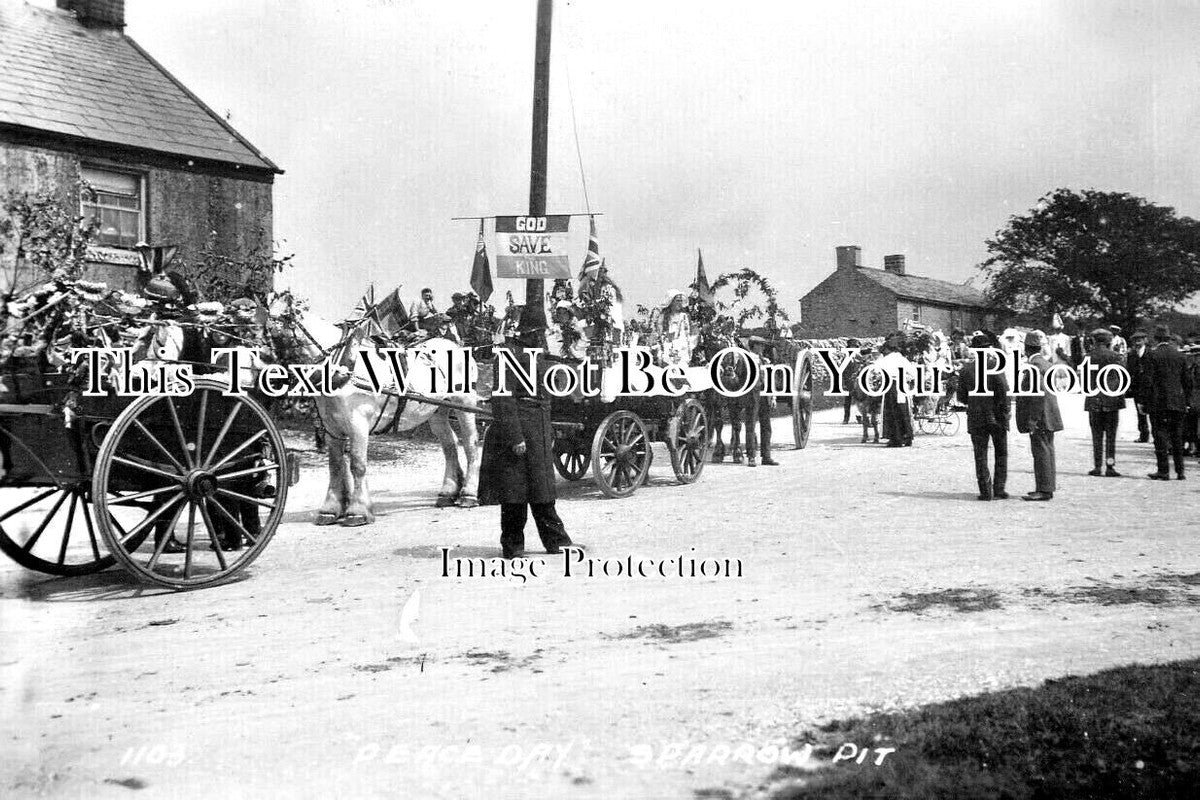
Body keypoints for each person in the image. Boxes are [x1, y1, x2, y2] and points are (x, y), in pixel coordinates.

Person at [477, 325, 576, 558]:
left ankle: (557, 542)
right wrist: (515, 437)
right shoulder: (508, 357)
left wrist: (548, 431)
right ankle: (512, 547)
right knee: (514, 495)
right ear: (527, 333)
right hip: (519, 433)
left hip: (538, 433)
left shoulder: (538, 357)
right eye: (538, 332)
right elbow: (503, 401)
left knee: (543, 492)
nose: (542, 336)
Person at [957, 332, 1009, 500]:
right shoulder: (996, 366)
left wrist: (974, 401)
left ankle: (985, 491)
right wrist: (1005, 411)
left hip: (976, 416)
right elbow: (1004, 391)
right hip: (997, 415)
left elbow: (961, 397)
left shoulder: (966, 370)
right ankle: (999, 489)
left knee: (980, 455)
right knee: (1001, 453)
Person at [1015, 330, 1063, 501]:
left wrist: (1032, 419)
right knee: (1048, 451)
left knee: (1041, 452)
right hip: (1049, 415)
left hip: (1040, 416)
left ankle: (1043, 490)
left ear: (1026, 348)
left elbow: (1037, 395)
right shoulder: (1046, 364)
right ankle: (1046, 487)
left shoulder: (1034, 366)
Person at [1144, 324, 1192, 481]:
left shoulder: (1152, 355)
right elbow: (1187, 381)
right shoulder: (1180, 356)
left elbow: (1148, 381)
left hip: (1158, 402)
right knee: (1177, 437)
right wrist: (1186, 401)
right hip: (1177, 402)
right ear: (1169, 338)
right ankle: (1180, 471)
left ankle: (1163, 470)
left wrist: (1144, 401)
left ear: (1155, 338)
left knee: (1160, 436)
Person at [1083, 328, 1125, 477]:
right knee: (1111, 437)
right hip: (1112, 400)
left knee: (1097, 436)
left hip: (1094, 399)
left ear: (1094, 341)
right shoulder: (1116, 356)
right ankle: (1110, 466)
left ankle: (1097, 466)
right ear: (1109, 341)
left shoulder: (1088, 357)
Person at [876, 334, 915, 447]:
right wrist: (906, 379)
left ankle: (896, 439)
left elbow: (876, 370)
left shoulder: (885, 360)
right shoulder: (902, 359)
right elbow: (913, 373)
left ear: (888, 349)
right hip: (902, 387)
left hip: (891, 386)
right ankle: (907, 437)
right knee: (903, 412)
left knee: (892, 412)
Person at [747, 336, 779, 466]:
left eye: (762, 345)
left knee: (766, 426)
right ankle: (751, 457)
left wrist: (773, 397)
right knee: (751, 426)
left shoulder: (764, 360)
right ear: (753, 346)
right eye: (760, 345)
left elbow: (769, 379)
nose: (762, 348)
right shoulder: (747, 359)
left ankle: (766, 456)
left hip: (764, 395)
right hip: (752, 395)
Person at [1126, 331, 1152, 442]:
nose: (1137, 343)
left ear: (1145, 340)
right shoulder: (1131, 354)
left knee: (1153, 411)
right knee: (1139, 411)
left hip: (1149, 386)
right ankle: (1143, 434)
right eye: (1135, 340)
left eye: (1140, 340)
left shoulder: (1151, 353)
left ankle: (1156, 435)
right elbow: (1129, 369)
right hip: (1137, 386)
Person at [657, 290, 694, 367]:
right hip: (667, 348)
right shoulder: (663, 316)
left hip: (682, 349)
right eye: (677, 301)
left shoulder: (684, 316)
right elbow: (659, 333)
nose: (680, 303)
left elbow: (688, 334)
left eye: (681, 301)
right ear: (671, 302)